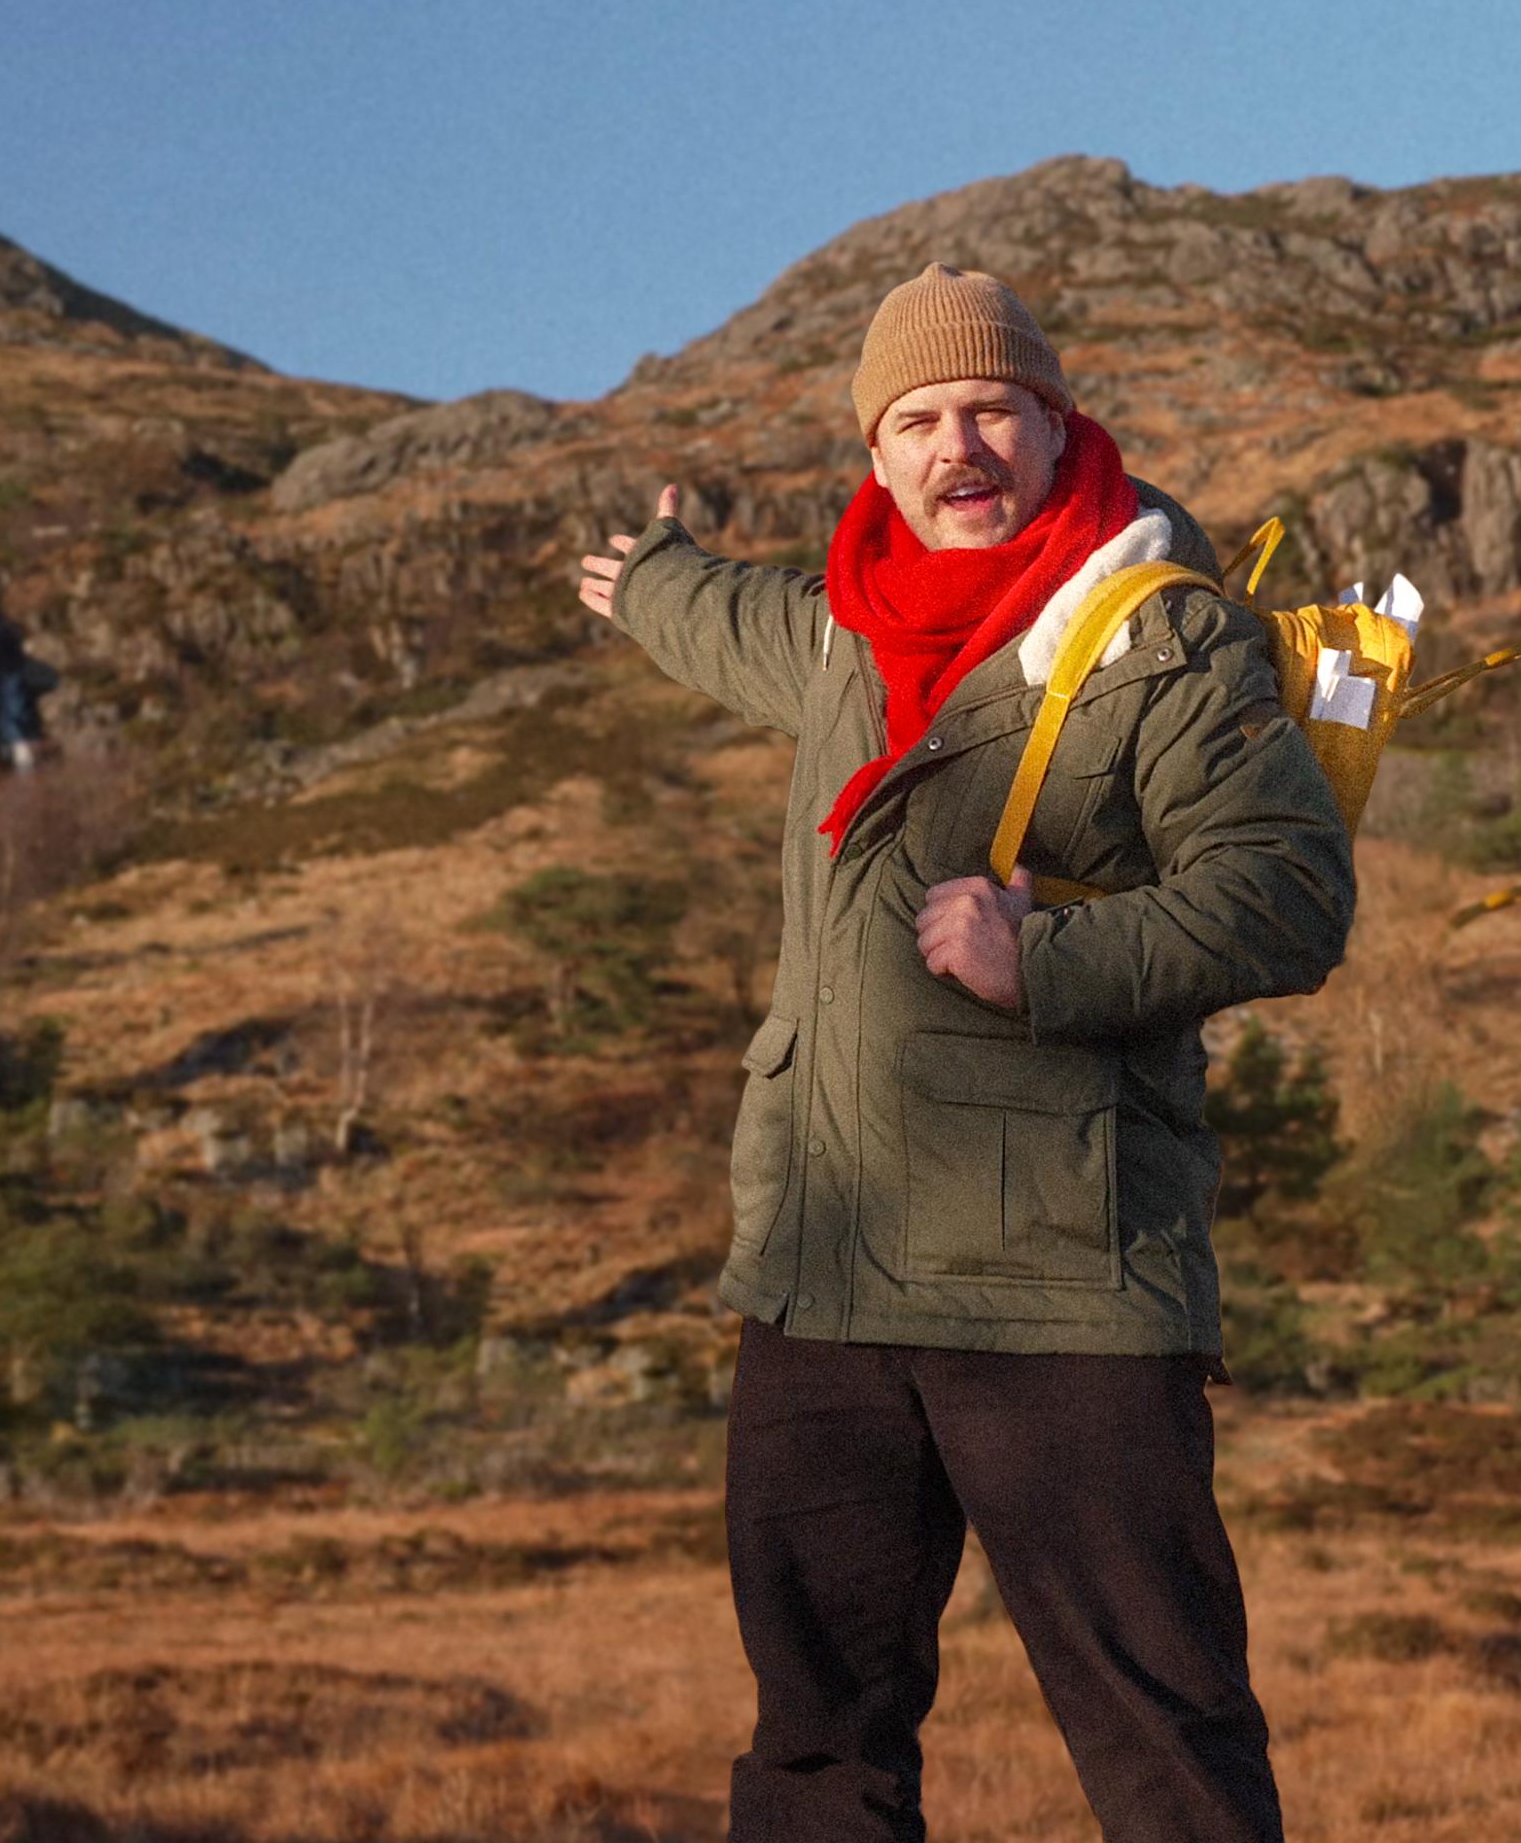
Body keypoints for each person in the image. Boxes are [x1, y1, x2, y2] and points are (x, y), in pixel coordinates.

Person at [573, 262, 1354, 1843]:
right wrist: (647, 574)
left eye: (992, 408)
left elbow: (1290, 894)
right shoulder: (845, 634)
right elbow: (728, 621)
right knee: (815, 1751)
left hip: (1061, 1284)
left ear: (1059, 427)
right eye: (918, 419)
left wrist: (1043, 956)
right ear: (879, 456)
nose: (958, 447)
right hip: (823, 1274)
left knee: (1165, 1746)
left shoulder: (1163, 641)